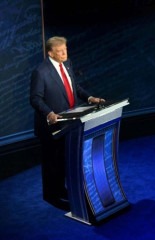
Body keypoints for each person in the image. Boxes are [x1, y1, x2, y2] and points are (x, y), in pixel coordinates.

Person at [30, 36, 104, 211]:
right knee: (52, 162)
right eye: (60, 51)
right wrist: (49, 113)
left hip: (70, 122)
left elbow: (74, 87)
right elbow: (35, 98)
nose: (64, 53)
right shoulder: (40, 72)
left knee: (64, 159)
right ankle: (51, 196)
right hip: (51, 126)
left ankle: (61, 189)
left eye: (65, 49)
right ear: (50, 53)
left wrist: (90, 98)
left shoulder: (67, 64)